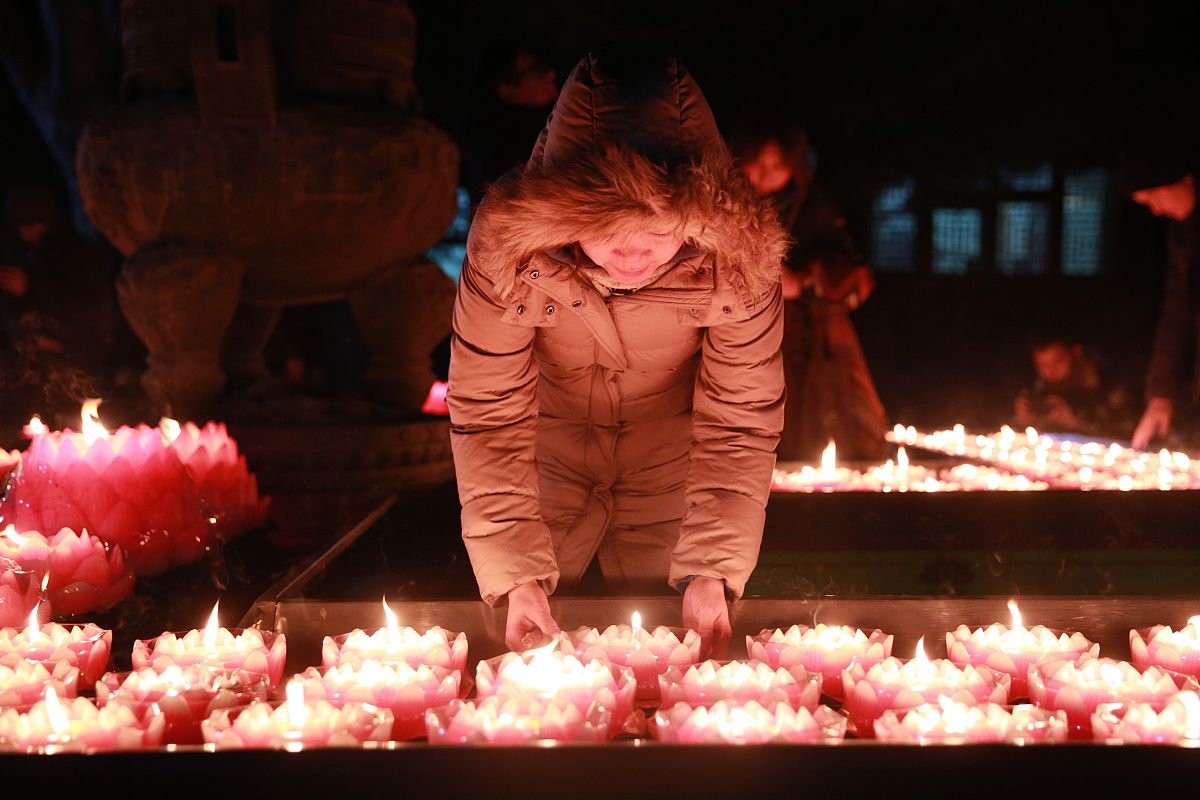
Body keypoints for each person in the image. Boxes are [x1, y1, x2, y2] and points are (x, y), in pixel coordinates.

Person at [448, 54, 787, 656]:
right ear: (561, 215)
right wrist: (515, 575)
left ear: (697, 221)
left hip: (673, 489)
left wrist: (712, 566)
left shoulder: (740, 266)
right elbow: (487, 410)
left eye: (658, 233)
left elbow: (741, 420)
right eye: (604, 230)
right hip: (539, 477)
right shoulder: (507, 255)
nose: (631, 256)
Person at [731, 120, 888, 462]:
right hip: (740, 324)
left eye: (776, 165)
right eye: (757, 162)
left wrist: (803, 282)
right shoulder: (721, 204)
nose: (765, 174)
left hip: (809, 327)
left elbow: (847, 266)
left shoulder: (812, 207)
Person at [0, 182, 117, 422]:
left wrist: (30, 287)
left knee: (74, 425)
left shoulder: (75, 254)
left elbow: (86, 305)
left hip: (77, 360)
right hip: (41, 366)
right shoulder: (29, 254)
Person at [1129, 171, 1197, 450]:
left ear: (1185, 180)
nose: (1155, 209)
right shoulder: (1182, 235)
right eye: (1146, 203)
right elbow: (1176, 313)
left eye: (1154, 196)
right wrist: (1160, 395)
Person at [1013, 334, 1132, 438]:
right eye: (1042, 365)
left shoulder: (1110, 385)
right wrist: (1026, 422)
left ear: (1075, 352)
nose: (1049, 372)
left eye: (1057, 362)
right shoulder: (1039, 386)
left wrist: (1077, 424)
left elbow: (1125, 436)